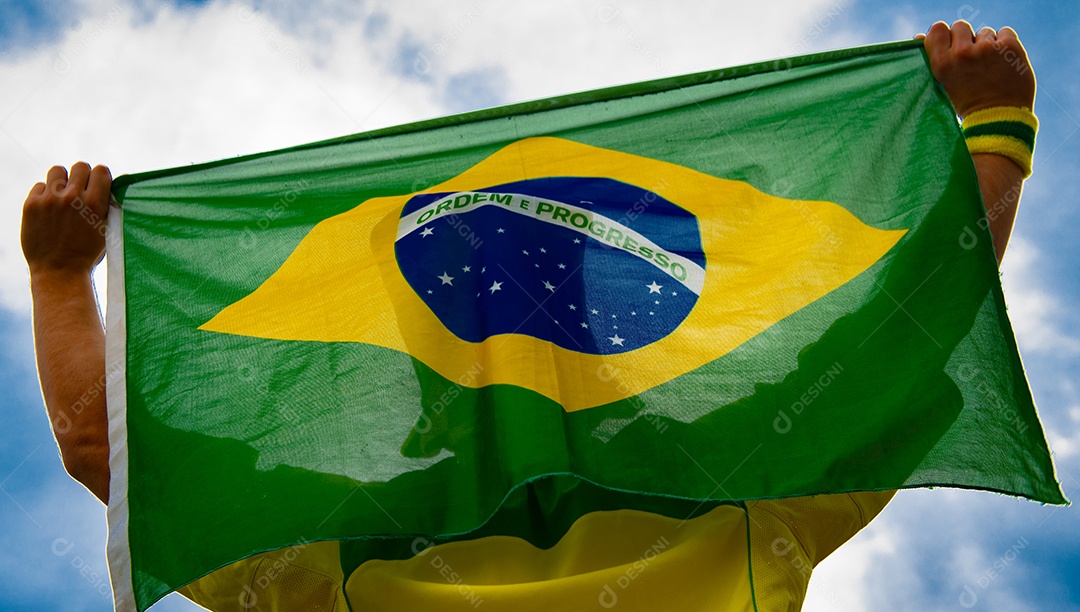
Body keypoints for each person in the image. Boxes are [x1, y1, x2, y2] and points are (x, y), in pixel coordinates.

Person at [20, 20, 1037, 611]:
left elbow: (108, 453)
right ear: (633, 368)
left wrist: (63, 277)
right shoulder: (753, 504)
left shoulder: (328, 567)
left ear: (421, 415)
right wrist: (996, 127)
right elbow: (919, 315)